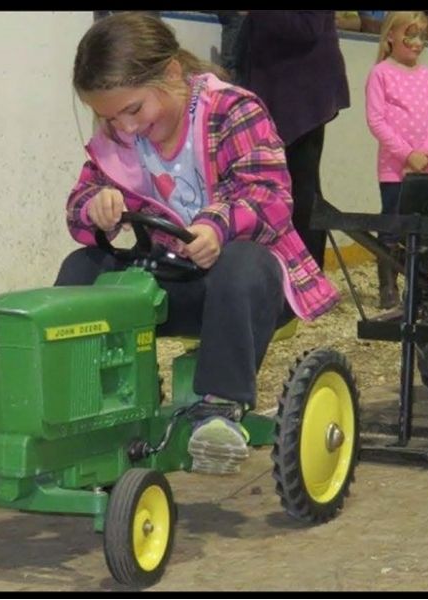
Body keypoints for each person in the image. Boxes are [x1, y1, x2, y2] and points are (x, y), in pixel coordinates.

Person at [63, 13, 341, 474]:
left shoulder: (233, 111)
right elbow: (78, 203)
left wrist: (217, 224)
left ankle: (219, 410)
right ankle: (78, 403)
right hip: (172, 284)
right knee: (82, 266)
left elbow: (270, 195)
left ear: (172, 73)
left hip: (247, 292)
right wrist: (95, 208)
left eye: (134, 110)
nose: (126, 128)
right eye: (110, 118)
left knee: (242, 264)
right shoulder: (118, 138)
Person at [236, 11, 350, 273]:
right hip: (280, 86)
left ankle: (309, 276)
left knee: (301, 189)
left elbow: (307, 29)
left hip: (301, 92)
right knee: (292, 187)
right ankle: (294, 272)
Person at [364, 11, 428, 309]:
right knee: (392, 224)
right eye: (409, 35)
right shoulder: (381, 74)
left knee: (423, 228)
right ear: (391, 36)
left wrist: (427, 153)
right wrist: (407, 154)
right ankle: (388, 286)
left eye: (421, 37)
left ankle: (421, 285)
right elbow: (376, 121)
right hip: (394, 169)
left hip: (427, 168)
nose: (416, 43)